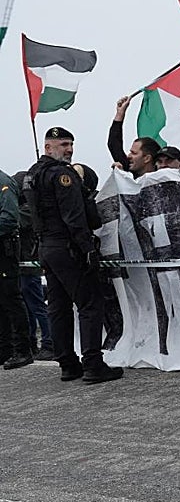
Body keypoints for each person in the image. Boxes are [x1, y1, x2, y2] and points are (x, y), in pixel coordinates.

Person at [25, 127, 123, 383]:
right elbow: (74, 218)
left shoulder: (34, 174)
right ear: (48, 147)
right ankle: (93, 364)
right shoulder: (62, 174)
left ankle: (68, 364)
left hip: (47, 248)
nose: (69, 150)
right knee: (90, 304)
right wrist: (88, 249)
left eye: (71, 144)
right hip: (67, 247)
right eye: (63, 144)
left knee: (58, 308)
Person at [10, 170, 53, 359]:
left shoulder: (27, 209)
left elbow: (16, 220)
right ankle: (31, 343)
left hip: (30, 266)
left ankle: (49, 342)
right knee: (28, 307)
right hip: (21, 265)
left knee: (37, 306)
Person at [0, 168, 34, 370]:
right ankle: (4, 350)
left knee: (11, 299)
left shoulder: (3, 182)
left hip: (5, 250)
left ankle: (22, 349)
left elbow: (10, 217)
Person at [108, 96, 161, 177]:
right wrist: (120, 113)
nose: (129, 156)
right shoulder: (128, 172)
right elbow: (114, 144)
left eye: (134, 153)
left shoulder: (162, 178)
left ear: (147, 158)